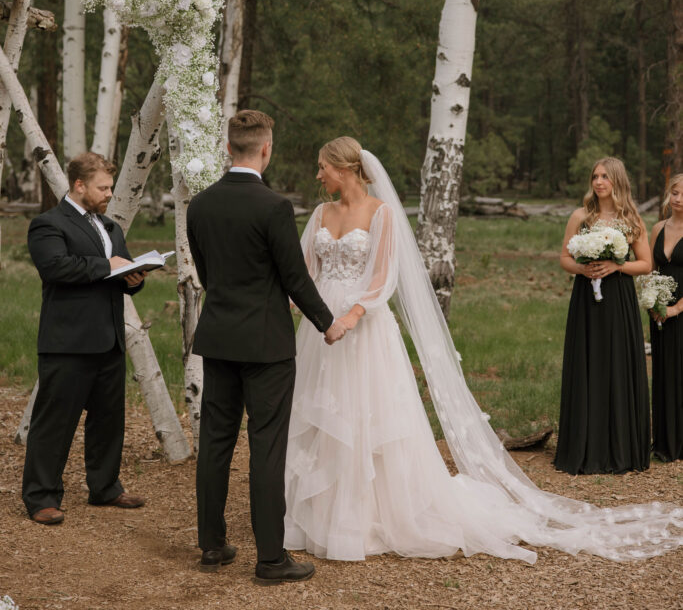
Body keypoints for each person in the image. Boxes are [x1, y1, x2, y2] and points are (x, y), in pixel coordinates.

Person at [285, 138, 683, 564]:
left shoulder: (380, 213)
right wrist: (301, 306)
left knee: (367, 413)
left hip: (361, 325)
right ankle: (318, 510)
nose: (317, 175)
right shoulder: (320, 215)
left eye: (323, 167)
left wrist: (350, 315)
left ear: (343, 169)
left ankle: (365, 512)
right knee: (322, 410)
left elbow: (383, 276)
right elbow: (305, 270)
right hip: (319, 324)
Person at [187, 110, 346, 585]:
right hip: (265, 344)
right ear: (265, 148)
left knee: (215, 442)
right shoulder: (274, 206)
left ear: (228, 148)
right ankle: (271, 560)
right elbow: (293, 277)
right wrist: (326, 322)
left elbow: (207, 272)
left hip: (219, 336)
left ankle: (212, 545)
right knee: (266, 448)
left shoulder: (200, 205)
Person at [22, 152, 147, 525]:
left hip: (109, 339)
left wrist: (135, 279)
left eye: (110, 186)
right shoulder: (47, 224)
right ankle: (41, 496)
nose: (109, 193)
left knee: (109, 420)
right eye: (102, 187)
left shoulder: (110, 227)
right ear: (79, 186)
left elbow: (120, 269)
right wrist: (108, 266)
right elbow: (56, 267)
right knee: (55, 422)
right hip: (68, 342)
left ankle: (105, 486)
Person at [555, 157, 651, 475]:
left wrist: (617, 266)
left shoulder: (631, 219)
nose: (598, 182)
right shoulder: (581, 217)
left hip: (619, 300)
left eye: (605, 177)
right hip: (586, 299)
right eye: (595, 176)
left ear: (617, 181)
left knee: (617, 364)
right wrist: (583, 269)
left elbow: (646, 264)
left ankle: (620, 446)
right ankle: (584, 446)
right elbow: (564, 258)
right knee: (588, 363)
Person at [649, 173, 683, 462]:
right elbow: (650, 269)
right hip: (660, 311)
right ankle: (663, 440)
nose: (679, 199)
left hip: (682, 309)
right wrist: (654, 304)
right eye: (675, 193)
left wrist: (676, 308)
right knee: (663, 370)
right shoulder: (657, 227)